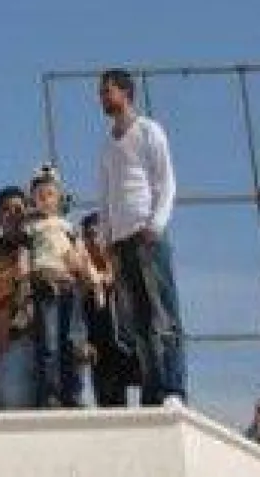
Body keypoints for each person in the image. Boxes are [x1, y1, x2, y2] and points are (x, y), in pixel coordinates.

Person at [97, 68, 187, 405]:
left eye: (108, 91)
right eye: (102, 92)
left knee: (163, 314)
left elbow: (166, 181)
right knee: (137, 323)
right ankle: (153, 390)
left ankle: (173, 387)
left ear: (126, 92)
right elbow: (105, 194)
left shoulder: (150, 131)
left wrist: (156, 224)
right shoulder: (107, 144)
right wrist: (106, 239)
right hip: (120, 242)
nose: (104, 98)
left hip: (147, 236)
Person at [25, 166, 89, 408]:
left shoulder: (67, 226)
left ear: (58, 197)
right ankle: (50, 395)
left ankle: (73, 394)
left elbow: (79, 255)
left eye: (49, 194)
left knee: (72, 342)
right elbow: (24, 257)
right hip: (45, 285)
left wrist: (85, 273)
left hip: (68, 285)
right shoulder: (30, 228)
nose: (44, 199)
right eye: (38, 194)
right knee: (49, 344)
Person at [0, 187, 36, 410]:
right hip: (11, 343)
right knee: (15, 414)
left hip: (48, 341)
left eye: (18, 208)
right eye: (6, 210)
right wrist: (15, 274)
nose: (13, 214)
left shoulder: (43, 242)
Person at [79, 212, 136, 408]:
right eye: (88, 236)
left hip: (125, 345)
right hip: (99, 350)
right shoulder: (83, 281)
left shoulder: (126, 274)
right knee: (106, 400)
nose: (94, 241)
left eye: (98, 234)